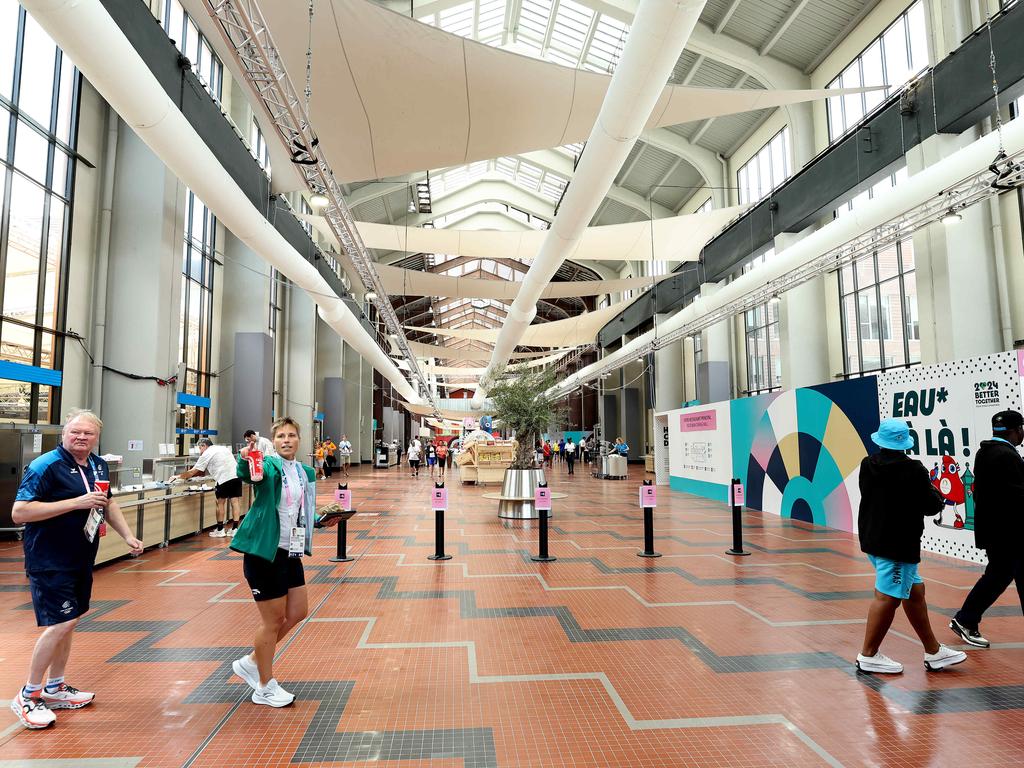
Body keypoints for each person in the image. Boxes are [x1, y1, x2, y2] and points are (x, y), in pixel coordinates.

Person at [10, 409, 144, 729]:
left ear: (97, 436)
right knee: (61, 623)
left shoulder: (97, 464)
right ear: (64, 433)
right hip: (49, 559)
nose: (81, 437)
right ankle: (28, 695)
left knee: (71, 622)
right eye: (75, 432)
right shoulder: (45, 466)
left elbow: (106, 502)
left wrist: (128, 535)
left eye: (88, 433)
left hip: (81, 556)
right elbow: (20, 512)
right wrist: (75, 503)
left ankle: (55, 687)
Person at [855, 419, 967, 674]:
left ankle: (934, 651)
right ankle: (868, 655)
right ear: (905, 442)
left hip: (874, 539)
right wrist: (935, 494)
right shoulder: (912, 469)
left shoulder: (867, 464)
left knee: (915, 591)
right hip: (897, 546)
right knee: (888, 597)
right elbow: (931, 505)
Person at [230, 417, 315, 708]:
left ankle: (252, 661)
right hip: (263, 553)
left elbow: (300, 509)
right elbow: (250, 474)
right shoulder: (268, 465)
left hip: (290, 551)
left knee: (298, 611)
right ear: (274, 441)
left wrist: (321, 520)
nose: (287, 440)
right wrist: (246, 458)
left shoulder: (305, 471)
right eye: (281, 436)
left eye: (292, 435)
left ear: (299, 440)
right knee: (273, 620)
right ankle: (264, 686)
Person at [950, 410, 1024, 648]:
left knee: (1001, 575)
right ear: (1015, 431)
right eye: (1021, 428)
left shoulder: (987, 451)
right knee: (1000, 575)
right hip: (1007, 532)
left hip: (997, 530)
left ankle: (966, 619)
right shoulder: (1006, 456)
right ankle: (965, 619)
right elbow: (1016, 496)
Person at [170, 438, 242, 537]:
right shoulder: (223, 448)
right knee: (235, 502)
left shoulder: (207, 453)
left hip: (223, 478)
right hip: (236, 476)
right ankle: (235, 529)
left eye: (200, 448)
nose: (200, 451)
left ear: (204, 445)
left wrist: (177, 476)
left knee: (220, 503)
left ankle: (220, 530)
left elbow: (192, 472)